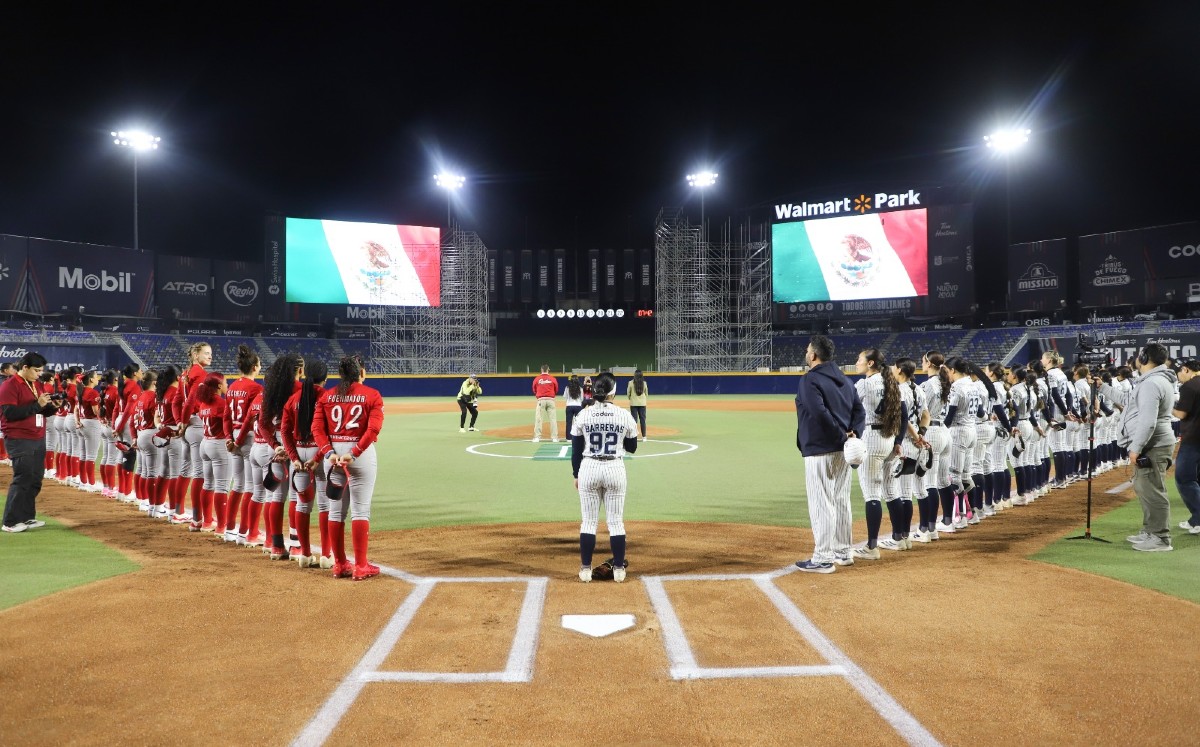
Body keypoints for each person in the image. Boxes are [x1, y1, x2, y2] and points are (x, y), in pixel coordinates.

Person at [793, 335, 865, 573]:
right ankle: (843, 552)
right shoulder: (845, 380)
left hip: (820, 449)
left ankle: (823, 558)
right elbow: (859, 411)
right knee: (841, 500)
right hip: (843, 451)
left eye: (807, 350)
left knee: (821, 502)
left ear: (813, 355)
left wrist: (841, 436)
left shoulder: (809, 380)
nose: (806, 353)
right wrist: (853, 436)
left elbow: (818, 413)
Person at [1100, 343, 1178, 552]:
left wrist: (1136, 447)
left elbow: (1148, 421)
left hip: (1153, 445)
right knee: (1145, 489)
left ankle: (1160, 538)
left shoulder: (1152, 383)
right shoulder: (1153, 381)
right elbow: (1128, 400)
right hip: (1153, 443)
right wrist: (1102, 387)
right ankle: (1150, 531)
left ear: (1143, 358)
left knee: (1153, 491)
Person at [313, 356, 385, 580]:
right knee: (360, 510)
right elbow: (373, 429)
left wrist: (328, 452)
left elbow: (317, 428)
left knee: (335, 512)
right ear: (360, 373)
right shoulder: (372, 395)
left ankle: (340, 564)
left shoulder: (327, 395)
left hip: (333, 456)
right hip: (359, 456)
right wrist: (353, 453)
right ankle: (361, 566)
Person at [569, 372, 639, 582]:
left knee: (588, 522)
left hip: (589, 467)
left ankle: (584, 570)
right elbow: (632, 447)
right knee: (616, 522)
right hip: (614, 468)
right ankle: (618, 570)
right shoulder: (624, 414)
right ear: (613, 391)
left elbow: (576, 451)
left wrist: (576, 475)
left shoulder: (583, 414)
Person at [853, 349, 907, 557]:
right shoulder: (892, 383)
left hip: (872, 439)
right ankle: (899, 537)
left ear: (870, 363)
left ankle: (872, 547)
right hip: (890, 439)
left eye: (859, 360)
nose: (856, 362)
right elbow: (904, 415)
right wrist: (899, 441)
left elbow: (849, 409)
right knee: (891, 491)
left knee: (872, 494)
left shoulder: (865, 384)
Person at [0, 353, 59, 533]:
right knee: (23, 478)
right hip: (19, 437)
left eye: (41, 370)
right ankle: (10, 522)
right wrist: (37, 405)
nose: (39, 374)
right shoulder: (9, 385)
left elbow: (39, 410)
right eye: (36, 370)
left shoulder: (36, 384)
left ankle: (26, 517)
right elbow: (9, 413)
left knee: (35, 479)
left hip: (36, 436)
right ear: (24, 367)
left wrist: (53, 407)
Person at [222, 345, 263, 543]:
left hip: (233, 437)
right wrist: (237, 441)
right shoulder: (256, 388)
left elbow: (226, 417)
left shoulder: (232, 387)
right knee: (250, 487)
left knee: (237, 484)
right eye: (259, 364)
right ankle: (245, 531)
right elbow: (250, 418)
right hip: (247, 438)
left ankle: (229, 528)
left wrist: (229, 438)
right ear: (255, 367)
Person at [1173, 360, 1200, 535]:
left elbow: (1181, 413)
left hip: (1193, 439)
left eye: (1179, 375)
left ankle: (1198, 519)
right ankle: (1195, 520)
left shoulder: (1190, 386)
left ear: (1186, 369)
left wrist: (1167, 405)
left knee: (1184, 478)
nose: (1180, 379)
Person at [531, 364, 559, 442]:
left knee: (539, 419)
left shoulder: (537, 379)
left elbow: (534, 389)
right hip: (551, 400)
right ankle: (554, 438)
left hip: (541, 400)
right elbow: (556, 389)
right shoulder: (553, 379)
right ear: (548, 370)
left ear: (541, 370)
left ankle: (537, 437)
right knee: (553, 419)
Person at [627, 369, 648, 441]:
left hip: (633, 403)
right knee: (643, 420)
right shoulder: (644, 383)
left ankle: (634, 436)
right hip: (642, 404)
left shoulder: (630, 383)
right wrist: (643, 400)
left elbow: (628, 393)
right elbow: (646, 393)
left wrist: (631, 398)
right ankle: (644, 437)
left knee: (634, 421)